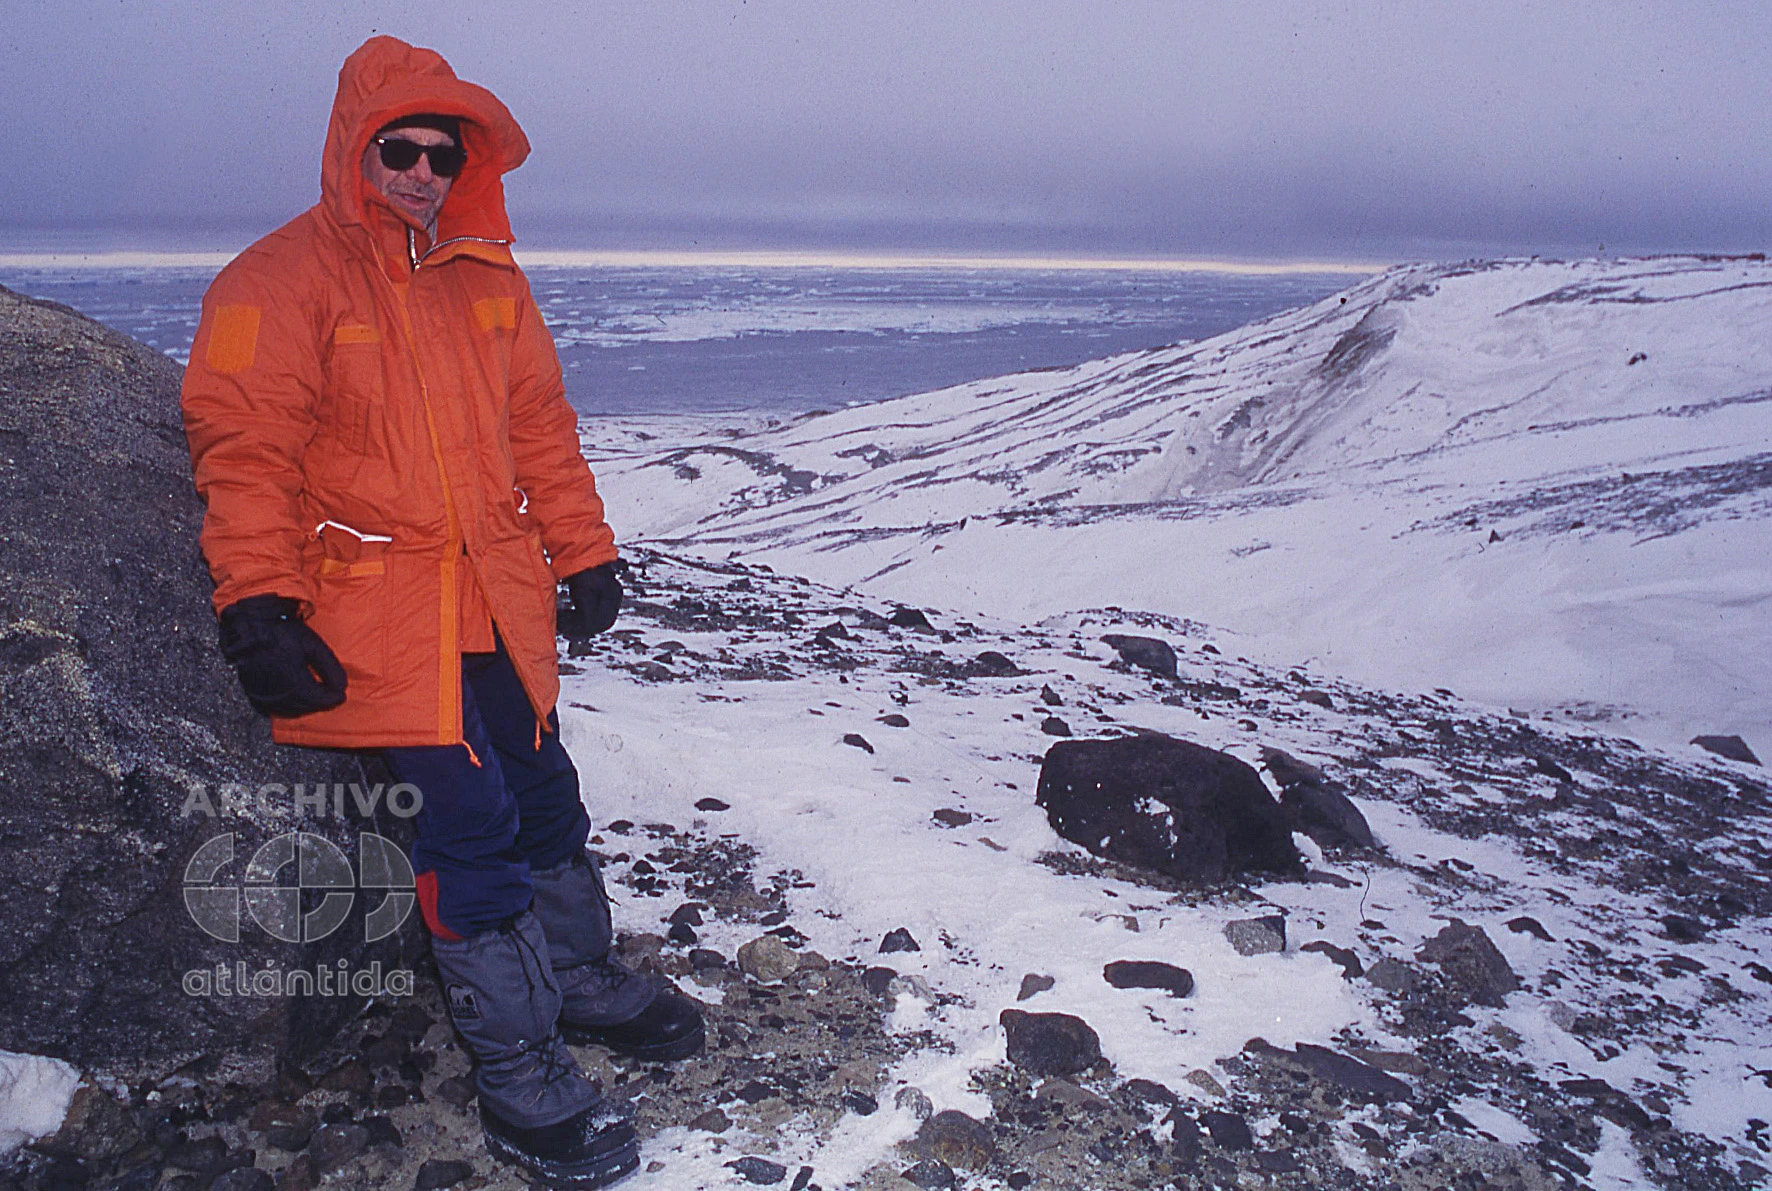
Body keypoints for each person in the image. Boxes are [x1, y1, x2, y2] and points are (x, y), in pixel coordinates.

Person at [181, 35, 702, 1189]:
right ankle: (516, 1072)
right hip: (372, 613)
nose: (420, 170)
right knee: (466, 830)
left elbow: (541, 435)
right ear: (353, 149)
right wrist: (257, 603)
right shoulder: (276, 280)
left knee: (543, 791)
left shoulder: (488, 282)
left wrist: (585, 553)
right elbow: (244, 451)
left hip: (491, 602)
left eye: (441, 151)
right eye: (399, 147)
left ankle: (575, 980)